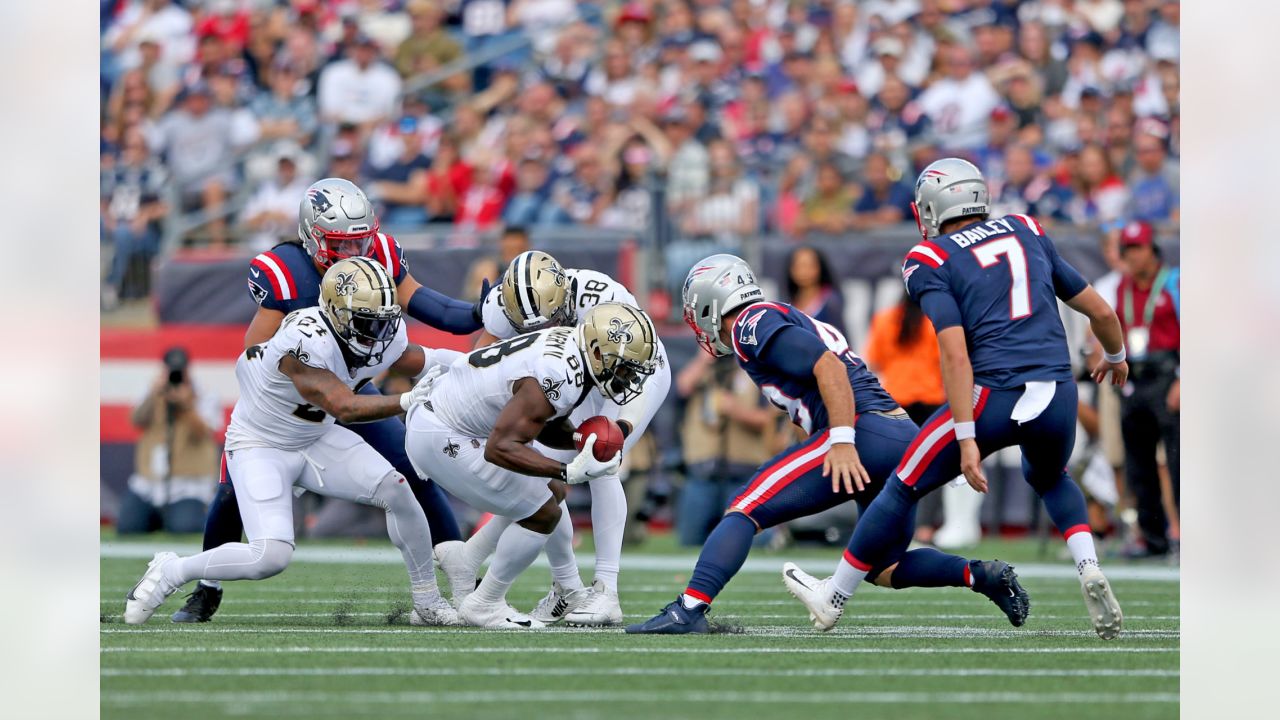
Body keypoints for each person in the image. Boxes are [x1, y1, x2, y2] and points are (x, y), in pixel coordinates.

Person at [783, 158, 1129, 640]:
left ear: (933, 207)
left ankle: (834, 596)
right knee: (1050, 475)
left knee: (903, 484)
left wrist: (967, 438)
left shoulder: (929, 258)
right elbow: (1102, 311)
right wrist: (1115, 355)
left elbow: (953, 352)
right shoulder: (1026, 228)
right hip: (1057, 392)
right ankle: (1088, 565)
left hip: (995, 394)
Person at [627, 254, 1026, 635]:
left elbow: (828, 366)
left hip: (862, 432)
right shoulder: (776, 317)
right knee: (882, 565)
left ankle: (690, 608)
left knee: (744, 508)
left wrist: (840, 440)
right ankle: (980, 575)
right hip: (898, 435)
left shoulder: (752, 322)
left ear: (714, 299)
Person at [169, 178, 487, 624]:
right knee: (230, 492)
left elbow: (431, 309)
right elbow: (255, 357)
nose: (357, 251)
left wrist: (478, 313)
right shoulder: (288, 271)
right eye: (344, 242)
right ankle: (206, 589)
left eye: (362, 239)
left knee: (414, 471)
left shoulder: (379, 255)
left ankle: (462, 587)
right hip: (291, 401)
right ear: (313, 235)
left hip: (355, 391)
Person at [124, 258, 460, 627]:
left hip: (315, 437)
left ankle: (427, 601)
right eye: (368, 321)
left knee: (398, 488)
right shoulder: (302, 337)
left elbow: (421, 359)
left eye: (383, 320)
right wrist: (406, 400)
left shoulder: (379, 332)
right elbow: (343, 406)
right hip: (262, 444)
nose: (377, 332)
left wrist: (484, 367)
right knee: (270, 557)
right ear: (336, 313)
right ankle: (172, 570)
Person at [405, 303, 661, 628]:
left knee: (552, 493)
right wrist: (567, 470)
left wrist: (580, 442)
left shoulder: (573, 351)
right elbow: (501, 448)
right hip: (443, 435)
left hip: (446, 423)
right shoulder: (559, 374)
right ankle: (486, 602)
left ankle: (466, 560)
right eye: (624, 367)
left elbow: (543, 423)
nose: (627, 377)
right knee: (543, 513)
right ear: (597, 351)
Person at [451, 251, 673, 625]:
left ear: (566, 300)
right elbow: (482, 363)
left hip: (627, 371)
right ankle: (564, 587)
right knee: (538, 471)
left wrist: (620, 430)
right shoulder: (501, 306)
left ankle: (606, 591)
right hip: (566, 379)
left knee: (601, 457)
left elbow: (632, 364)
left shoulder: (604, 297)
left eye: (550, 321)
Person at [1112, 221, 1180, 557]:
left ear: (1153, 250)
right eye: (1127, 250)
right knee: (1139, 465)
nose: (1133, 256)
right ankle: (1154, 539)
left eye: (1138, 248)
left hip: (1167, 374)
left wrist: (1184, 378)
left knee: (1180, 461)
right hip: (1134, 379)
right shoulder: (1122, 287)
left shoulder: (1175, 283)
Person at [674, 352, 780, 546]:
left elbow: (769, 419)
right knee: (690, 540)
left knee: (747, 541)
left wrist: (735, 411)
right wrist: (704, 357)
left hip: (744, 470)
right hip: (702, 469)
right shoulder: (705, 369)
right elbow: (683, 386)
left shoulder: (757, 370)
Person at [117, 347, 222, 535]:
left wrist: (186, 406)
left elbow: (205, 432)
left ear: (188, 369)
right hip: (149, 482)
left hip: (189, 484)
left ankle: (185, 515)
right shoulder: (152, 390)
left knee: (185, 528)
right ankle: (156, 517)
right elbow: (136, 420)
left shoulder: (204, 394)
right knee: (128, 527)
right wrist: (153, 394)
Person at [785, 246, 845, 336]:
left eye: (809, 266)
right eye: (799, 266)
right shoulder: (788, 303)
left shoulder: (830, 302)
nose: (804, 271)